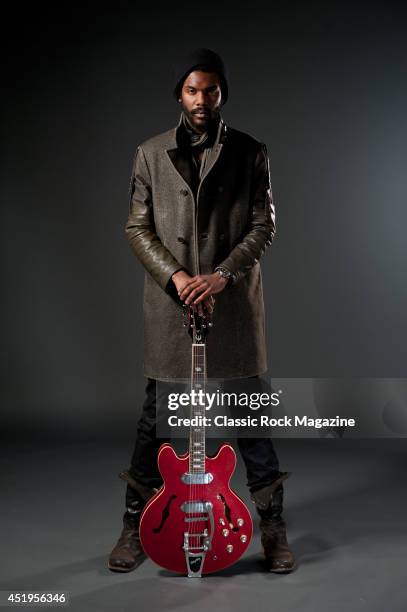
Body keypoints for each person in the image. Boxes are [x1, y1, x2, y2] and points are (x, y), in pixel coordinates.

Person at [108, 48, 296, 574]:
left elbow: (265, 225)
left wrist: (222, 275)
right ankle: (133, 524)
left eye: (210, 90)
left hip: (231, 299)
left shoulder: (250, 151)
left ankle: (273, 528)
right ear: (179, 94)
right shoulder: (149, 154)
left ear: (222, 95)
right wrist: (178, 277)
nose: (201, 100)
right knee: (155, 419)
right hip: (173, 303)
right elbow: (136, 227)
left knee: (250, 413)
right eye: (193, 90)